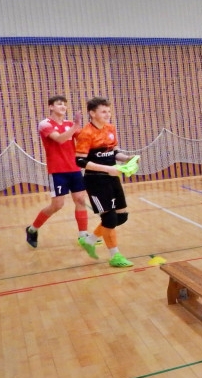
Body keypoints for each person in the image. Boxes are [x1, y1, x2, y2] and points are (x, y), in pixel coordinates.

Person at [26, 95, 98, 253]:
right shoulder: (45, 124)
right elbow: (59, 139)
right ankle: (32, 229)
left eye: (65, 105)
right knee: (57, 205)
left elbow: (84, 138)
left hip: (74, 168)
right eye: (59, 104)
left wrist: (96, 128)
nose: (63, 107)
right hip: (57, 171)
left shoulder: (70, 125)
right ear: (51, 107)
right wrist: (76, 126)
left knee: (80, 199)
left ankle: (82, 235)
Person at [75, 97, 138, 268]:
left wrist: (126, 158)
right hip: (96, 180)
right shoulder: (86, 133)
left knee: (121, 216)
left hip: (112, 176)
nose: (108, 114)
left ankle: (91, 240)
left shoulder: (110, 128)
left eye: (109, 111)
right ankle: (115, 256)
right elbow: (80, 161)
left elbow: (113, 152)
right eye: (104, 111)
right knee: (109, 218)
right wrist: (107, 169)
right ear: (92, 113)